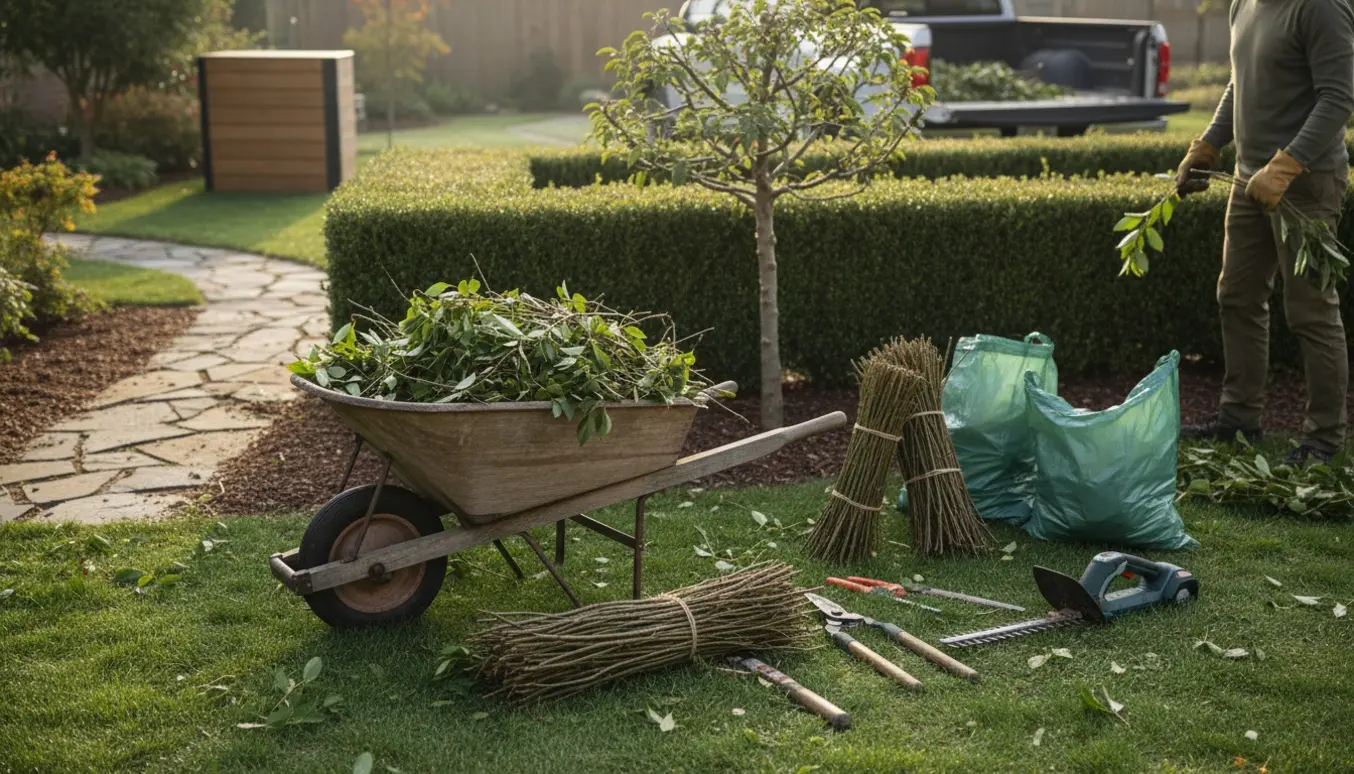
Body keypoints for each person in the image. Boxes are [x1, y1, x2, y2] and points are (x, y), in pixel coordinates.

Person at [1176, 0, 1354, 466]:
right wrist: (1209, 143)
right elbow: (1240, 83)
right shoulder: (1244, 3)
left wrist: (1286, 166)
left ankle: (1324, 440)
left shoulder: (1321, 8)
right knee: (1237, 296)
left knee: (1311, 310)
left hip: (1306, 183)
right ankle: (1239, 419)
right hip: (1247, 178)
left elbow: (1338, 98)